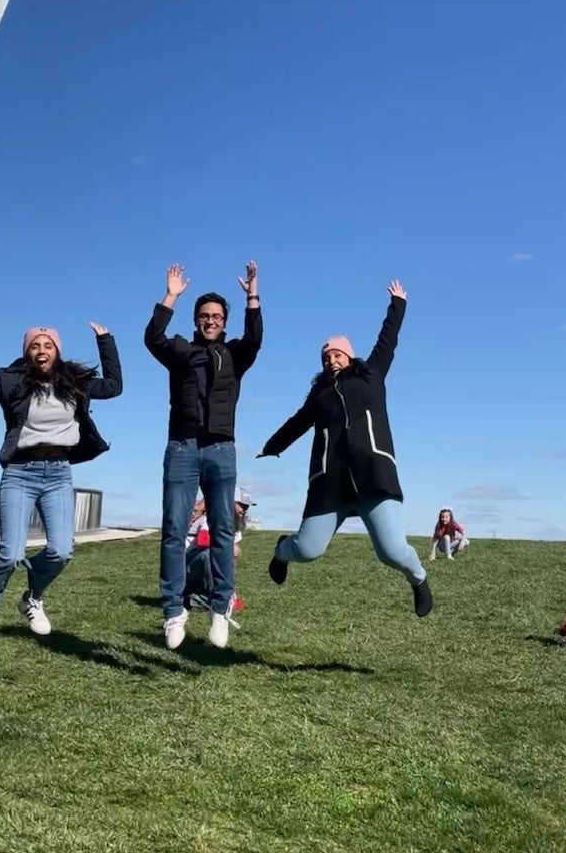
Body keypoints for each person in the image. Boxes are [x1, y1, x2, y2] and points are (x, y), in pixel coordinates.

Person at [257, 280, 432, 618]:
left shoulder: (372, 375)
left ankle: (419, 578)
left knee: (392, 551)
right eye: (326, 357)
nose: (331, 360)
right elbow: (296, 423)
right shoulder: (319, 394)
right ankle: (281, 550)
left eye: (336, 354)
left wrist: (397, 304)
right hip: (331, 481)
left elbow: (388, 340)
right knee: (307, 549)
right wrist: (271, 446)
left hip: (374, 474)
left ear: (349, 355)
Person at [0, 319, 122, 646]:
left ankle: (32, 596)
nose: (41, 350)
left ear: (57, 351)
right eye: (35, 345)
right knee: (9, 554)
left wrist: (106, 342)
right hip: (20, 472)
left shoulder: (76, 381)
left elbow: (114, 386)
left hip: (59, 472)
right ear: (27, 352)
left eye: (48, 345)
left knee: (61, 552)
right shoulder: (11, 381)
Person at [145, 261, 262, 650]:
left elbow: (256, 337)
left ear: (224, 322)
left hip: (221, 449)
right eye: (204, 316)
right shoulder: (181, 350)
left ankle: (219, 610)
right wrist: (171, 296)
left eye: (216, 316)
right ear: (196, 320)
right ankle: (173, 612)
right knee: (175, 531)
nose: (210, 321)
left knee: (224, 533)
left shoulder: (234, 355)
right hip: (182, 446)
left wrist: (251, 297)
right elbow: (152, 337)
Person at [185, 487, 254, 614]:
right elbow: (202, 541)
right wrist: (229, 545)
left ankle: (214, 598)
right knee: (211, 554)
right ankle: (219, 599)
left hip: (199, 571)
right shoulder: (212, 517)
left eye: (247, 507)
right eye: (242, 506)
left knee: (224, 556)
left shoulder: (234, 524)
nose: (244, 510)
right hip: (185, 567)